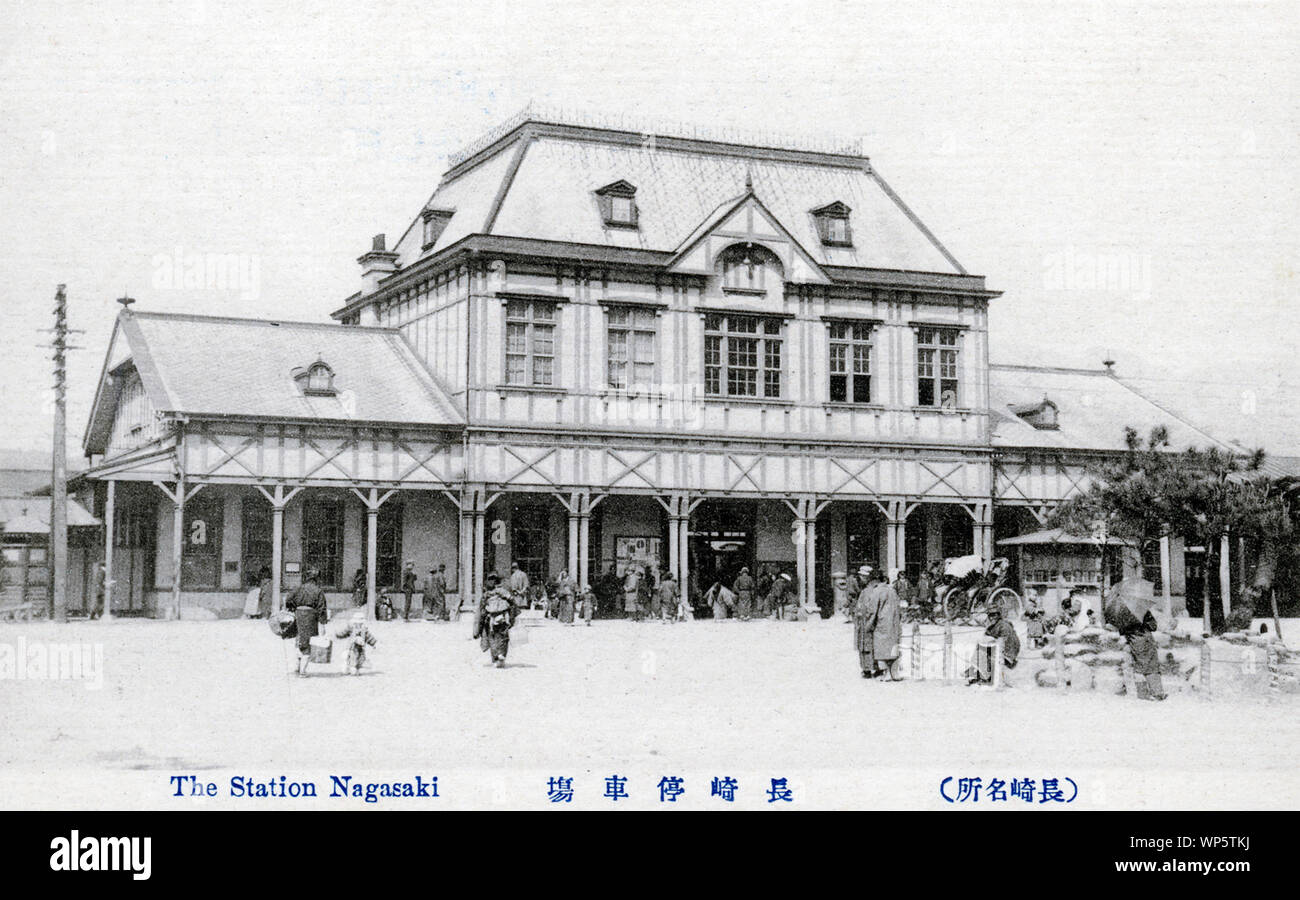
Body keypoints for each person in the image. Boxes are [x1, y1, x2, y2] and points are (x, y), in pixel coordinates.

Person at [1104, 598, 1166, 701]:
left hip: (1134, 641)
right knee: (1152, 666)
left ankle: (1142, 693)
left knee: (1139, 667)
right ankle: (1157, 692)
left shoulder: (1121, 613)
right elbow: (1153, 626)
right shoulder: (1142, 609)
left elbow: (1122, 631)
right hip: (1147, 639)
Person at [285, 567, 329, 676]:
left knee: (299, 640)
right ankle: (303, 671)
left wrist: (293, 609)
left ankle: (297, 668)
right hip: (310, 618)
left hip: (298, 616)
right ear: (316, 579)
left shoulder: (298, 588)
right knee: (308, 643)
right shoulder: (318, 591)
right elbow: (322, 609)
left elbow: (288, 600)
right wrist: (322, 625)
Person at [969, 603, 1020, 686]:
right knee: (981, 648)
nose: (992, 617)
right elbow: (986, 638)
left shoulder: (1003, 626)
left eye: (995, 614)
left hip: (1008, 654)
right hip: (1001, 651)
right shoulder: (993, 626)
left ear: (998, 615)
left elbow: (1004, 643)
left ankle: (986, 676)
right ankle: (979, 672)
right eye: (990, 615)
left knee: (984, 653)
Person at [475, 574, 518, 668]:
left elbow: (481, 608)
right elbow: (513, 602)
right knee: (503, 637)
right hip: (503, 616)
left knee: (492, 638)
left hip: (490, 617)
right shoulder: (504, 592)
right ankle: (501, 655)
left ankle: (495, 658)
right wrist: (513, 616)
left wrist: (479, 624)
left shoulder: (486, 594)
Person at [870, 572, 903, 680]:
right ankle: (895, 672)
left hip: (882, 622)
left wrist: (869, 623)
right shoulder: (893, 591)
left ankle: (886, 673)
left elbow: (873, 610)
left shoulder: (877, 591)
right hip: (894, 621)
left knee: (881, 647)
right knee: (894, 646)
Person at [335, 610, 377, 675]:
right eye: (357, 623)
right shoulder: (351, 628)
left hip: (361, 648)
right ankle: (351, 669)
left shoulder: (364, 630)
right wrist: (338, 634)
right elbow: (344, 633)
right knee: (352, 658)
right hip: (352, 648)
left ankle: (357, 669)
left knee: (361, 659)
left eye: (360, 623)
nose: (359, 624)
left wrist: (374, 643)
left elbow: (369, 637)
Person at [853, 571, 879, 677]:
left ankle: (868, 669)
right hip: (867, 622)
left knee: (867, 646)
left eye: (862, 577)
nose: (860, 579)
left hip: (866, 622)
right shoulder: (867, 591)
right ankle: (872, 668)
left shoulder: (868, 591)